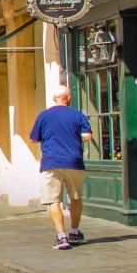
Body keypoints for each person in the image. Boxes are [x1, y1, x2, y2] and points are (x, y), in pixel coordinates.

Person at [30, 85, 93, 250]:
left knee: (53, 200)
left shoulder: (43, 116)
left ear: (54, 99)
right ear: (69, 98)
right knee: (75, 197)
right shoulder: (78, 115)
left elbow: (34, 138)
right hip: (74, 161)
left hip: (51, 162)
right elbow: (87, 135)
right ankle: (74, 231)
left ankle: (61, 237)